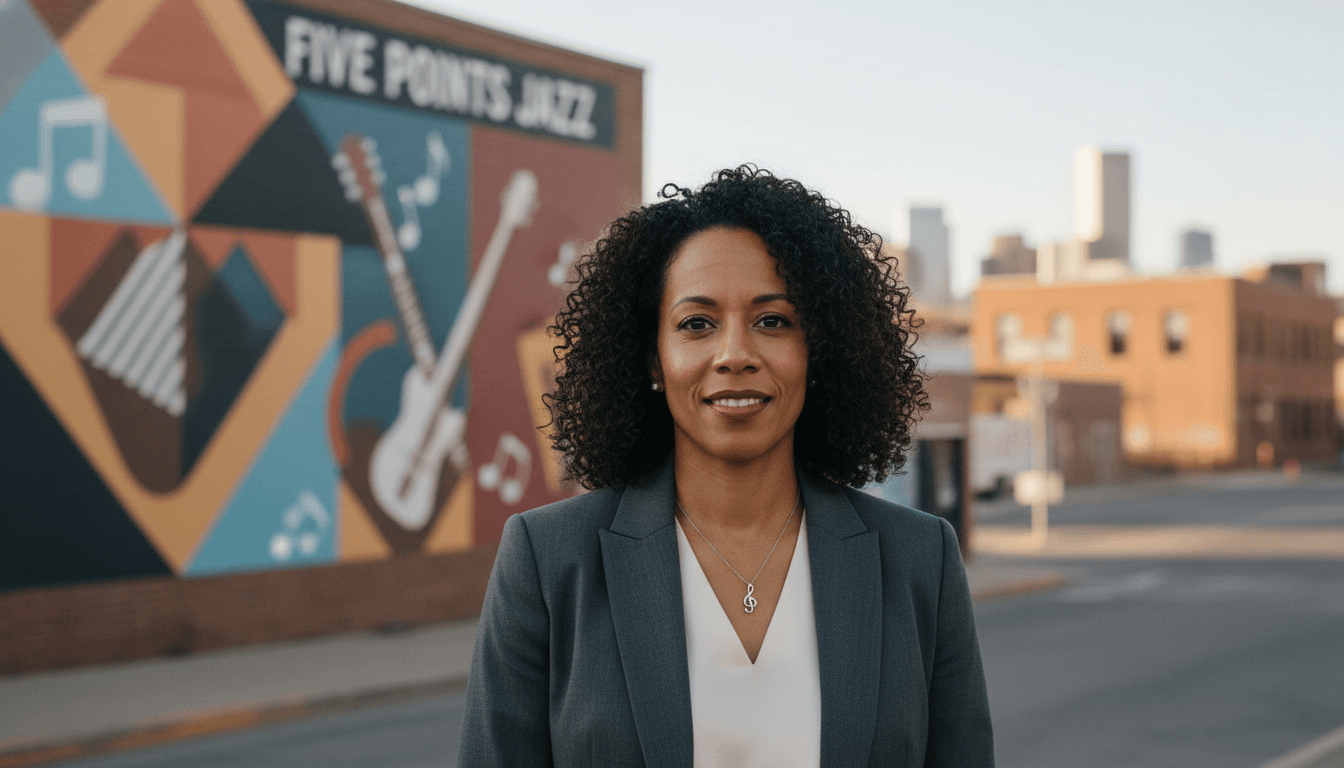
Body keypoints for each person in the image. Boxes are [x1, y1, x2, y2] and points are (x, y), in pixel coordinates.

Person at [459, 165, 993, 767]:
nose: (735, 353)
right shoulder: (549, 560)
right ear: (653, 360)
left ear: (819, 351)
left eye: (773, 321)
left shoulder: (921, 560)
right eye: (697, 324)